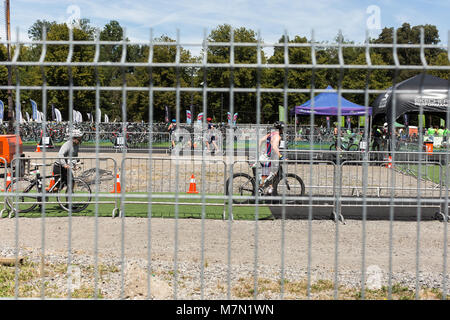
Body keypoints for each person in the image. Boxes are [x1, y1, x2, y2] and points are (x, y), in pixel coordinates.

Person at [258, 121, 286, 192]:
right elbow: (274, 147)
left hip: (264, 157)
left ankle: (268, 189)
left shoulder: (270, 134)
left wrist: (259, 151)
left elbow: (260, 140)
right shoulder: (278, 137)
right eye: (282, 129)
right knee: (273, 173)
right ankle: (262, 189)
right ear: (280, 129)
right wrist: (281, 156)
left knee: (268, 174)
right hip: (267, 159)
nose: (283, 130)